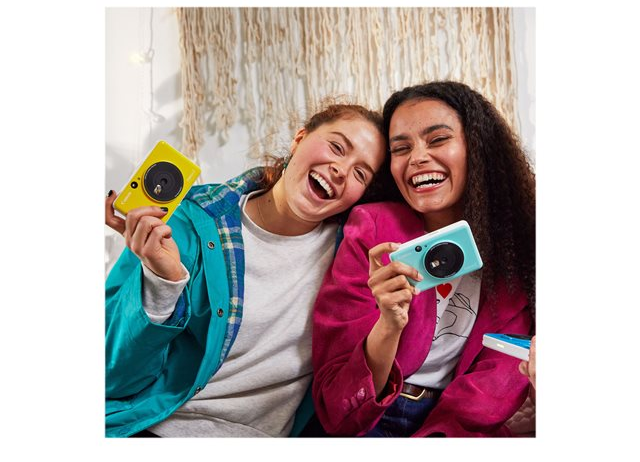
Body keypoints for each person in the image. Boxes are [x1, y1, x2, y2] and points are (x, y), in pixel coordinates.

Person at [104, 102, 386, 437]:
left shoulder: (354, 258)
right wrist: (162, 283)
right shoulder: (182, 221)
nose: (341, 170)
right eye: (337, 147)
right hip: (156, 430)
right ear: (299, 139)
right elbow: (112, 376)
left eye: (360, 174)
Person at [311, 81, 536, 437]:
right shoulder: (372, 227)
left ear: (478, 148)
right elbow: (336, 403)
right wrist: (388, 326)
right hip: (371, 417)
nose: (416, 157)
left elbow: (495, 385)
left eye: (438, 139)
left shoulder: (516, 250)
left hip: (453, 425)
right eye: (401, 148)